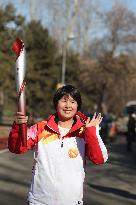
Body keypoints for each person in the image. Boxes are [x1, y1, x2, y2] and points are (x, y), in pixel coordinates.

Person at [8, 85, 108, 205]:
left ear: (77, 106)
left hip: (71, 201)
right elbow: (17, 148)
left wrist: (91, 132)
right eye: (64, 101)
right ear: (56, 104)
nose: (68, 106)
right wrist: (18, 127)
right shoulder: (41, 128)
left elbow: (100, 159)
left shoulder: (85, 132)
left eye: (73, 101)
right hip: (39, 201)